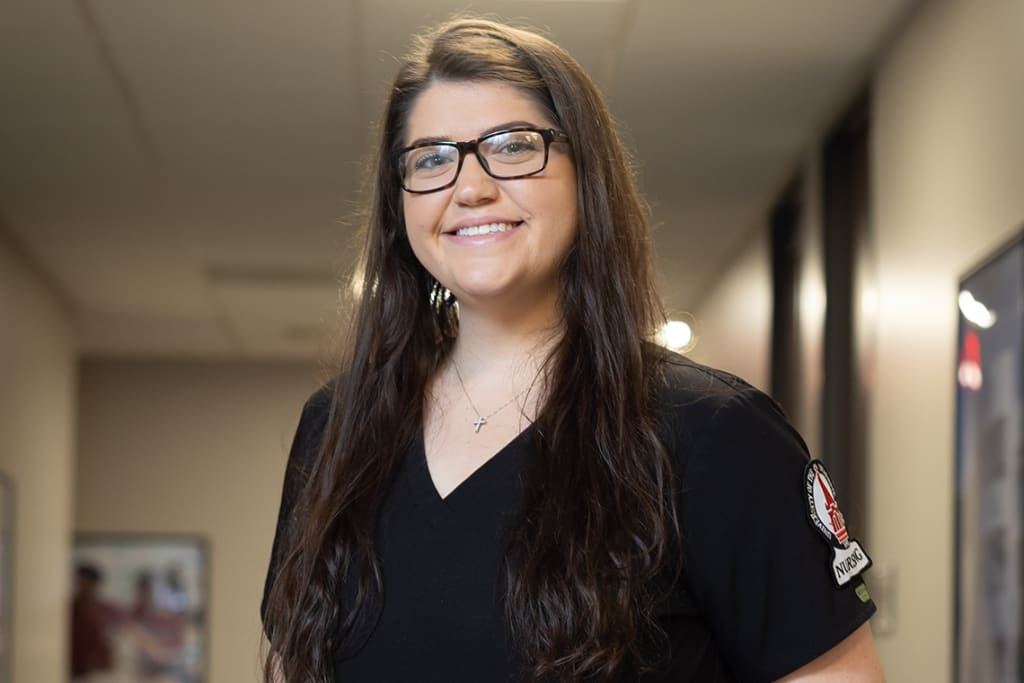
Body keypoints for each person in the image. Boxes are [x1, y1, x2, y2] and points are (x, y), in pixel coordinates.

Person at [261, 17, 884, 683]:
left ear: (587, 175)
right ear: (400, 202)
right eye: (432, 158)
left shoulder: (711, 433)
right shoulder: (337, 427)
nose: (469, 186)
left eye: (512, 145)